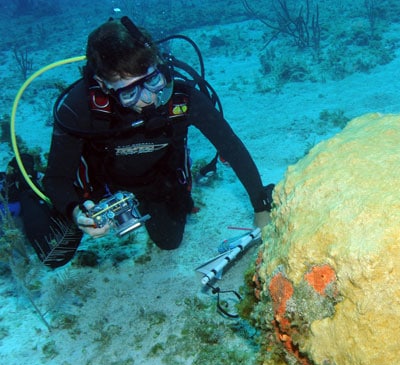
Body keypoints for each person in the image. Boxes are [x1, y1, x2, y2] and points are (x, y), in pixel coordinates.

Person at [16, 17, 273, 268]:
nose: (148, 99)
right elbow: (57, 180)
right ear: (103, 85)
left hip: (157, 179)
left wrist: (260, 206)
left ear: (159, 64)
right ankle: (20, 180)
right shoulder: (79, 108)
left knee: (169, 242)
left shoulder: (181, 96)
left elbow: (231, 147)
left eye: (153, 80)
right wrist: (77, 212)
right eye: (129, 92)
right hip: (99, 185)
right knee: (54, 253)